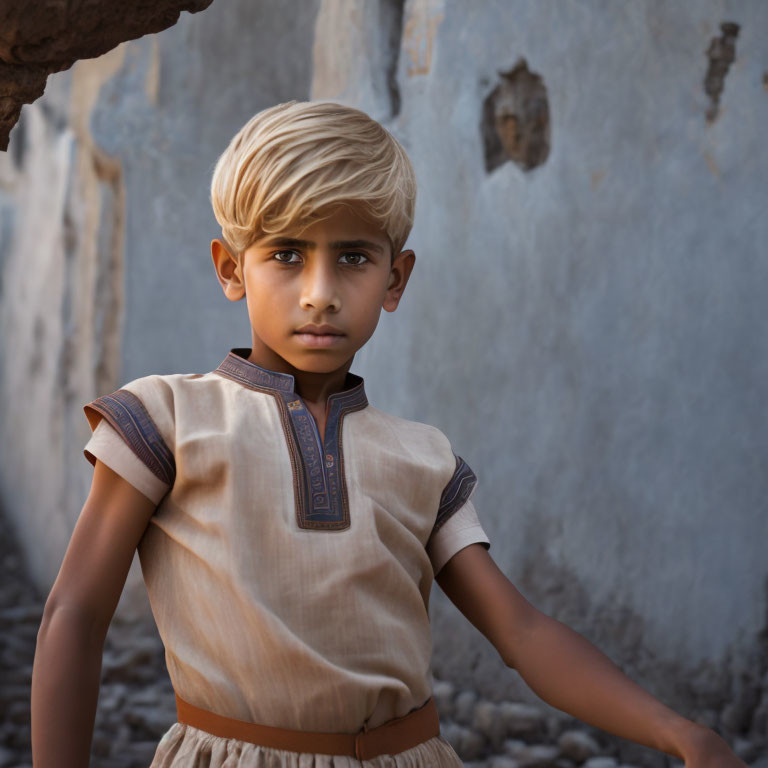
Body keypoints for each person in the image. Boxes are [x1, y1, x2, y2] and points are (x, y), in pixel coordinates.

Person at [30, 100, 746, 768]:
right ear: (230, 268)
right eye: (285, 254)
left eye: (353, 257)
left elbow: (521, 634)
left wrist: (677, 732)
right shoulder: (162, 422)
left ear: (395, 280)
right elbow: (75, 613)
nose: (319, 291)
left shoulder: (422, 460)